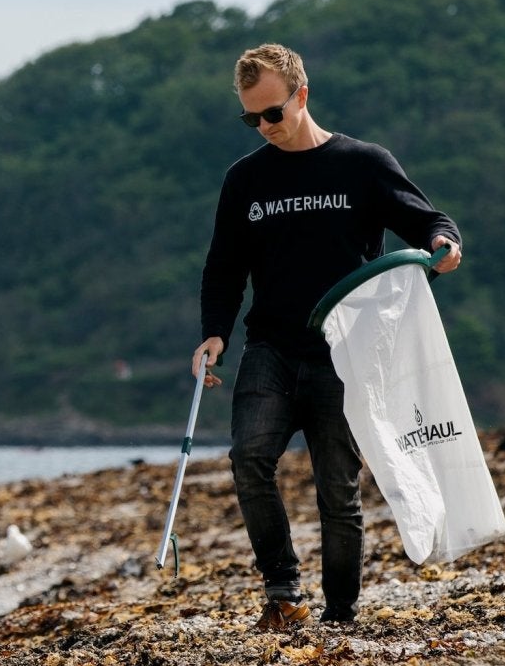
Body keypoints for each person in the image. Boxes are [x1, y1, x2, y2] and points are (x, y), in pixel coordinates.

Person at [196, 44, 463, 632]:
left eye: (273, 113)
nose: (264, 128)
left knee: (337, 490)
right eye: (251, 119)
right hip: (270, 347)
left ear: (303, 94)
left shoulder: (362, 163)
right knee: (248, 458)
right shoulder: (244, 180)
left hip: (348, 353)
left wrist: (445, 244)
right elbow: (223, 266)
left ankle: (340, 616)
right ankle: (284, 592)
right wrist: (213, 332)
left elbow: (427, 221)